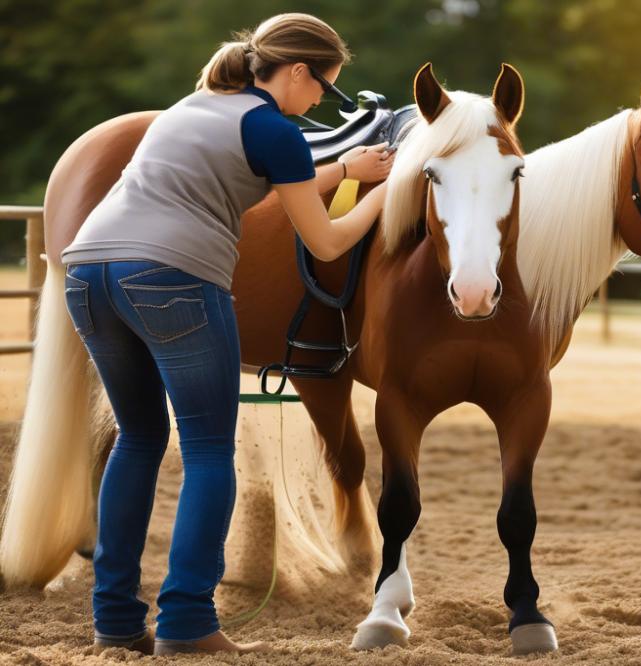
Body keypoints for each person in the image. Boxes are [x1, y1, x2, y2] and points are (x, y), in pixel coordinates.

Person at [59, 13, 392, 656]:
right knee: (211, 451)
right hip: (172, 280)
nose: (322, 101)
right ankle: (185, 623)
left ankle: (117, 619)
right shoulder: (276, 129)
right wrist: (380, 193)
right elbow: (324, 237)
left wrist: (347, 167)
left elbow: (266, 192)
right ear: (297, 72)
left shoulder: (195, 106)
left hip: (89, 274)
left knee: (139, 436)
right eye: (325, 86)